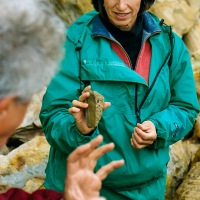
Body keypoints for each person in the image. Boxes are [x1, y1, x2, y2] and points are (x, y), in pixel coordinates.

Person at [39, 0, 199, 199]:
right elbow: (52, 115)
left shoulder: (170, 44)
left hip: (148, 190)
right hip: (81, 189)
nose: (121, 6)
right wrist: (79, 129)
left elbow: (185, 107)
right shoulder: (75, 41)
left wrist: (159, 127)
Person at [0, 0, 124, 199]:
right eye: (28, 97)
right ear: (5, 108)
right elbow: (54, 113)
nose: (122, 5)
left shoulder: (167, 40)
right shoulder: (78, 38)